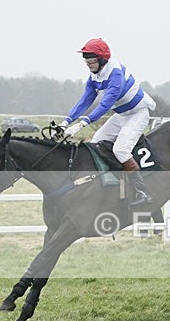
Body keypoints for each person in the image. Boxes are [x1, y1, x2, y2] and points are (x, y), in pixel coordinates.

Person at [60, 38, 156, 206]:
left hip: (137, 114)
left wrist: (81, 124)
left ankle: (143, 192)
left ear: (102, 59)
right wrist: (66, 121)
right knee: (96, 142)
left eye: (90, 59)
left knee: (121, 151)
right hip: (121, 114)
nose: (87, 63)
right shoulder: (94, 75)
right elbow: (85, 100)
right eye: (85, 60)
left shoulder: (116, 74)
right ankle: (107, 184)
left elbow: (106, 104)